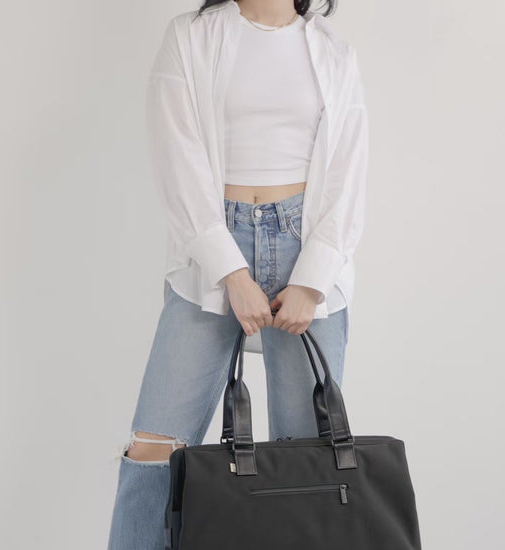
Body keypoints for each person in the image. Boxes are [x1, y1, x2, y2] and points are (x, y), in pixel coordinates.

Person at [107, 0, 368, 548]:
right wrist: (231, 270)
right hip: (210, 252)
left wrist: (311, 281)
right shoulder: (191, 37)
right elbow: (175, 156)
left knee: (304, 460)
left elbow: (349, 175)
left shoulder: (335, 53)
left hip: (305, 247)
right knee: (153, 450)